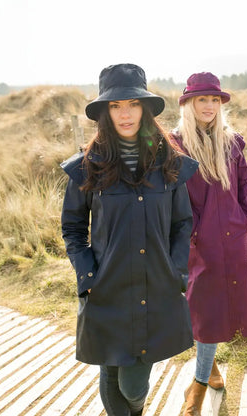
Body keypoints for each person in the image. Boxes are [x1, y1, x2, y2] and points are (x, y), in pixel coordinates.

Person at [60, 63, 198, 416]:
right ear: (105, 112)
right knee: (110, 369)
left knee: (132, 385)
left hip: (157, 286)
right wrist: (88, 277)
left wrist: (177, 271)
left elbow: (183, 223)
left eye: (132, 104)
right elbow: (73, 228)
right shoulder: (87, 167)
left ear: (145, 109)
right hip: (108, 287)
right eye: (116, 106)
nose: (125, 113)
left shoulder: (169, 163)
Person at [170, 72, 247, 416]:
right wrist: (188, 235)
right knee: (200, 311)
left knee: (212, 311)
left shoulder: (232, 142)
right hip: (194, 243)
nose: (209, 106)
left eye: (214, 100)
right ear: (189, 103)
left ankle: (200, 383)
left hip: (231, 239)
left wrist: (245, 220)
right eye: (202, 99)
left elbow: (243, 185)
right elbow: (172, 196)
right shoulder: (176, 145)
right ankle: (209, 369)